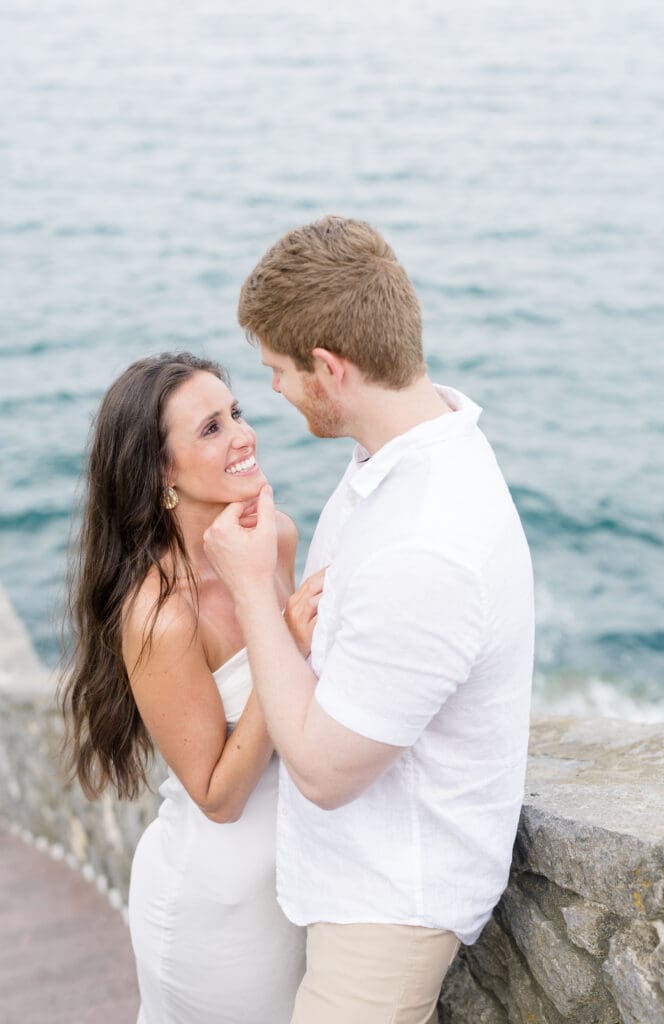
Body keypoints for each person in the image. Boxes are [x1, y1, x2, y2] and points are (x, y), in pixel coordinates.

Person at [203, 216, 535, 1024]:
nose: (271, 392)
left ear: (328, 367)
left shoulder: (424, 545)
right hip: (354, 886)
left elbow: (319, 771)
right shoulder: (403, 455)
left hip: (386, 911)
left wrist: (248, 592)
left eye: (277, 371)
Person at [60, 352, 317, 1024]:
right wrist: (283, 642)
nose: (242, 434)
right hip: (218, 908)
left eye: (235, 413)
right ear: (162, 472)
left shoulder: (277, 540)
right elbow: (217, 795)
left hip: (301, 883)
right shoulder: (161, 615)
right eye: (209, 428)